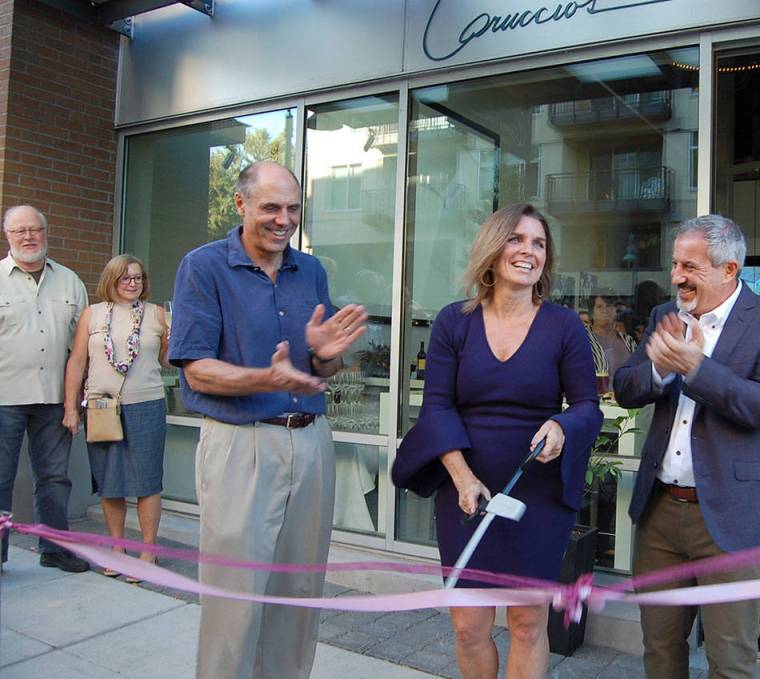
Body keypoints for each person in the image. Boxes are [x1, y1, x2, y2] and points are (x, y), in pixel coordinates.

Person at [169, 161, 367, 679]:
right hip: (241, 445)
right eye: (271, 208)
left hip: (311, 441)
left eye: (294, 209)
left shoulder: (312, 270)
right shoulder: (203, 266)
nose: (284, 220)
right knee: (235, 598)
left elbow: (323, 364)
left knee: (300, 590)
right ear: (240, 205)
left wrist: (326, 355)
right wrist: (268, 379)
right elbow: (197, 369)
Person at [391, 203, 601, 679]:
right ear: (493, 246)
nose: (529, 251)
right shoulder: (453, 322)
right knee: (468, 625)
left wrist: (564, 426)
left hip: (537, 492)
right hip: (466, 490)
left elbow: (588, 405)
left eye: (539, 243)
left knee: (528, 623)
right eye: (517, 239)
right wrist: (464, 480)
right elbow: (436, 409)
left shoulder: (565, 326)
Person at [614, 214, 760, 679]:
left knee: (730, 660)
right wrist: (659, 371)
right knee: (659, 649)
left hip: (732, 519)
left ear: (729, 270)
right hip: (658, 513)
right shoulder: (664, 315)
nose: (677, 276)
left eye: (690, 267)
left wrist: (697, 369)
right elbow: (625, 387)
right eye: (676, 264)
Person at [62, 255, 169, 580]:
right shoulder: (92, 315)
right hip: (101, 407)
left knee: (148, 481)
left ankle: (148, 551)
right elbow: (77, 362)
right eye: (125, 278)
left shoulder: (157, 315)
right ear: (111, 280)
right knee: (110, 482)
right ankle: (118, 550)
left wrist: (173, 340)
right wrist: (71, 407)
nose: (133, 283)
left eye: (138, 278)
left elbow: (168, 361)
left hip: (146, 405)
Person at [0, 205, 89, 574]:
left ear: (46, 232)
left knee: (54, 478)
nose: (28, 237)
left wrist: (77, 399)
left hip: (55, 400)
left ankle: (54, 548)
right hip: (4, 399)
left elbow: (82, 348)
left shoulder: (70, 282)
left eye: (35, 229)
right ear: (7, 235)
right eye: (19, 231)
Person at [586, 291, 637, 394]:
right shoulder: (580, 339)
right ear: (592, 312)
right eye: (599, 306)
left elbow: (639, 372)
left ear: (615, 311)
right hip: (592, 402)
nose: (605, 310)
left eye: (608, 306)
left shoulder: (628, 341)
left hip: (626, 403)